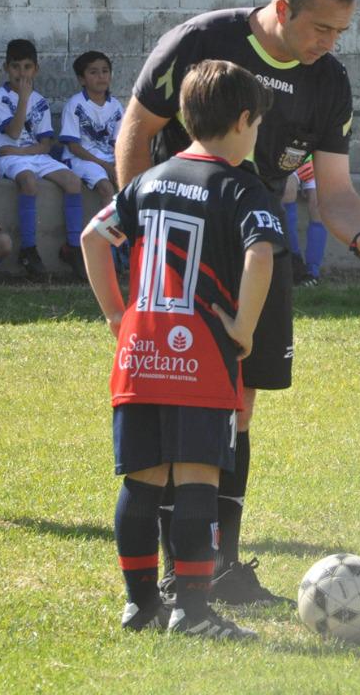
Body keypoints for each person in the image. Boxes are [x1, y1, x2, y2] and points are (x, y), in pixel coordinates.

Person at [116, 0, 360, 604]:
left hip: (259, 245)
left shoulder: (328, 81)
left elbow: (333, 190)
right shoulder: (201, 43)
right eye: (320, 28)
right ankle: (176, 573)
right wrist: (148, 240)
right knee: (179, 408)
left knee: (238, 405)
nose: (329, 42)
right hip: (186, 252)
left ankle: (221, 567)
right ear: (283, 9)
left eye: (341, 31)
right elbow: (137, 132)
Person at [82, 59, 282, 638]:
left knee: (141, 480)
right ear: (243, 120)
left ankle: (139, 604)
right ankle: (193, 613)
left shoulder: (148, 180)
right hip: (199, 356)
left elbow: (93, 237)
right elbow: (261, 253)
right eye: (257, 125)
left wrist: (116, 314)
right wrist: (244, 327)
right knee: (198, 480)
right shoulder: (241, 186)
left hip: (141, 354)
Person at [0, 39, 85, 279]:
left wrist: (22, 151)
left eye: (27, 67)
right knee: (28, 182)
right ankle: (28, 249)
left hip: (26, 154)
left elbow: (45, 144)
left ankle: (72, 248)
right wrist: (22, 99)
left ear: (36, 69)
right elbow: (13, 132)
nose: (22, 73)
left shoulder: (39, 101)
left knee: (73, 182)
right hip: (7, 159)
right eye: (16, 67)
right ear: (6, 68)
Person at [57, 49, 119, 204]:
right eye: (93, 72)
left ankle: (129, 220)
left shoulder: (116, 106)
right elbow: (74, 147)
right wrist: (104, 165)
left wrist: (118, 163)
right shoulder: (75, 105)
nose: (101, 76)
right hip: (80, 159)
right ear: (82, 80)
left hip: (108, 159)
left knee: (131, 182)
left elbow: (119, 143)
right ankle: (107, 221)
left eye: (105, 71)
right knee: (106, 188)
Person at [282, 154, 326, 287]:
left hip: (318, 159)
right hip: (288, 159)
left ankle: (313, 270)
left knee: (320, 204)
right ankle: (295, 262)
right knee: (287, 190)